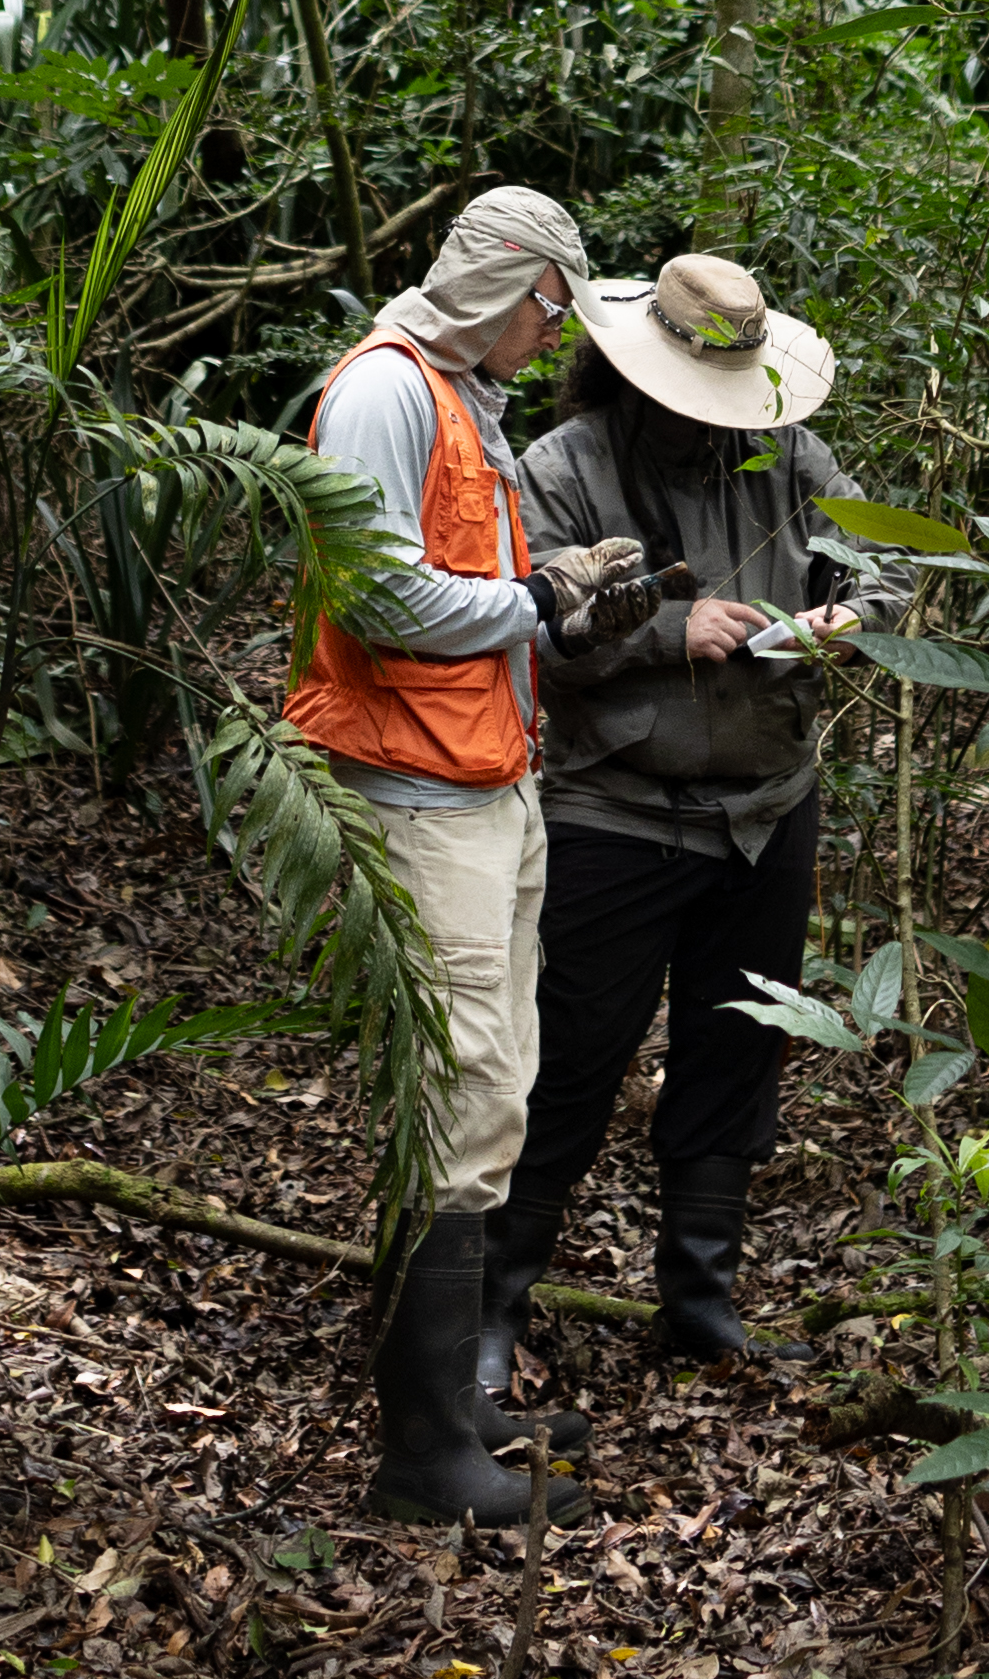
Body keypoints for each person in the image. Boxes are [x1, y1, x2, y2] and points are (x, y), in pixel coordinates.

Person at [282, 182, 651, 1527]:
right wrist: (529, 598)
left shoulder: (464, 402)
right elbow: (378, 597)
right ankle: (421, 1449)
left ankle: (453, 1406)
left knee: (494, 1088)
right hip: (410, 793)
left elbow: (478, 609)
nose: (552, 347)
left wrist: (574, 617)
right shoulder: (385, 391)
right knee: (451, 1098)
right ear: (513, 288)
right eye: (550, 313)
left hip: (488, 781)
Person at [480, 249, 868, 1404]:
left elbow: (880, 573)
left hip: (765, 808)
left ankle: (700, 1296)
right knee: (568, 1057)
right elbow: (531, 634)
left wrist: (843, 617)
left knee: (736, 1050)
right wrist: (668, 627)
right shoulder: (562, 468)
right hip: (614, 807)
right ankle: (495, 1300)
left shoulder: (792, 456)